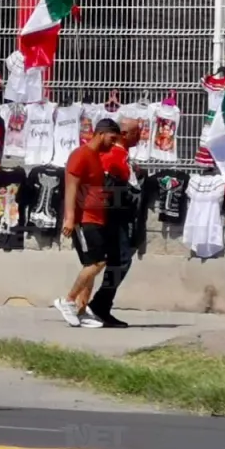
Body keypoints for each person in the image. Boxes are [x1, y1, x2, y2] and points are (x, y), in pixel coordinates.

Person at [55, 118, 121, 328]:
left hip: (96, 218)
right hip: (84, 220)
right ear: (101, 133)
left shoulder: (96, 157)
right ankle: (68, 301)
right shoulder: (81, 154)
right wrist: (70, 217)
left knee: (90, 264)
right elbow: (71, 187)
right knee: (98, 262)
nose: (113, 142)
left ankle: (82, 311)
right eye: (112, 138)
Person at [89, 117, 143, 328]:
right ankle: (98, 305)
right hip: (113, 216)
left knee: (120, 260)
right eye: (137, 132)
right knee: (119, 261)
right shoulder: (113, 156)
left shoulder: (122, 155)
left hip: (120, 215)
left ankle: (100, 305)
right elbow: (107, 185)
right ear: (125, 134)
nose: (140, 135)